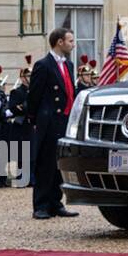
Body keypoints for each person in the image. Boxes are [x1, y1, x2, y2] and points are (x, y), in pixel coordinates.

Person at [28, 27, 81, 220]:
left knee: (59, 165)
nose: (73, 44)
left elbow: (70, 92)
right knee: (46, 164)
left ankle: (56, 203)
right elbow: (34, 95)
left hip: (65, 120)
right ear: (59, 42)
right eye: (70, 41)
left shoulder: (69, 65)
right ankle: (41, 205)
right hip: (49, 121)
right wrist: (34, 120)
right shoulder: (43, 65)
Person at [8, 56, 33, 185]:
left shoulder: (35, 91)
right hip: (21, 125)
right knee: (22, 154)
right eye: (28, 76)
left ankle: (32, 179)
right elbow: (13, 108)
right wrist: (24, 107)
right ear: (22, 78)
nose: (30, 79)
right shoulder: (16, 92)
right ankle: (22, 178)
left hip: (31, 125)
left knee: (32, 152)